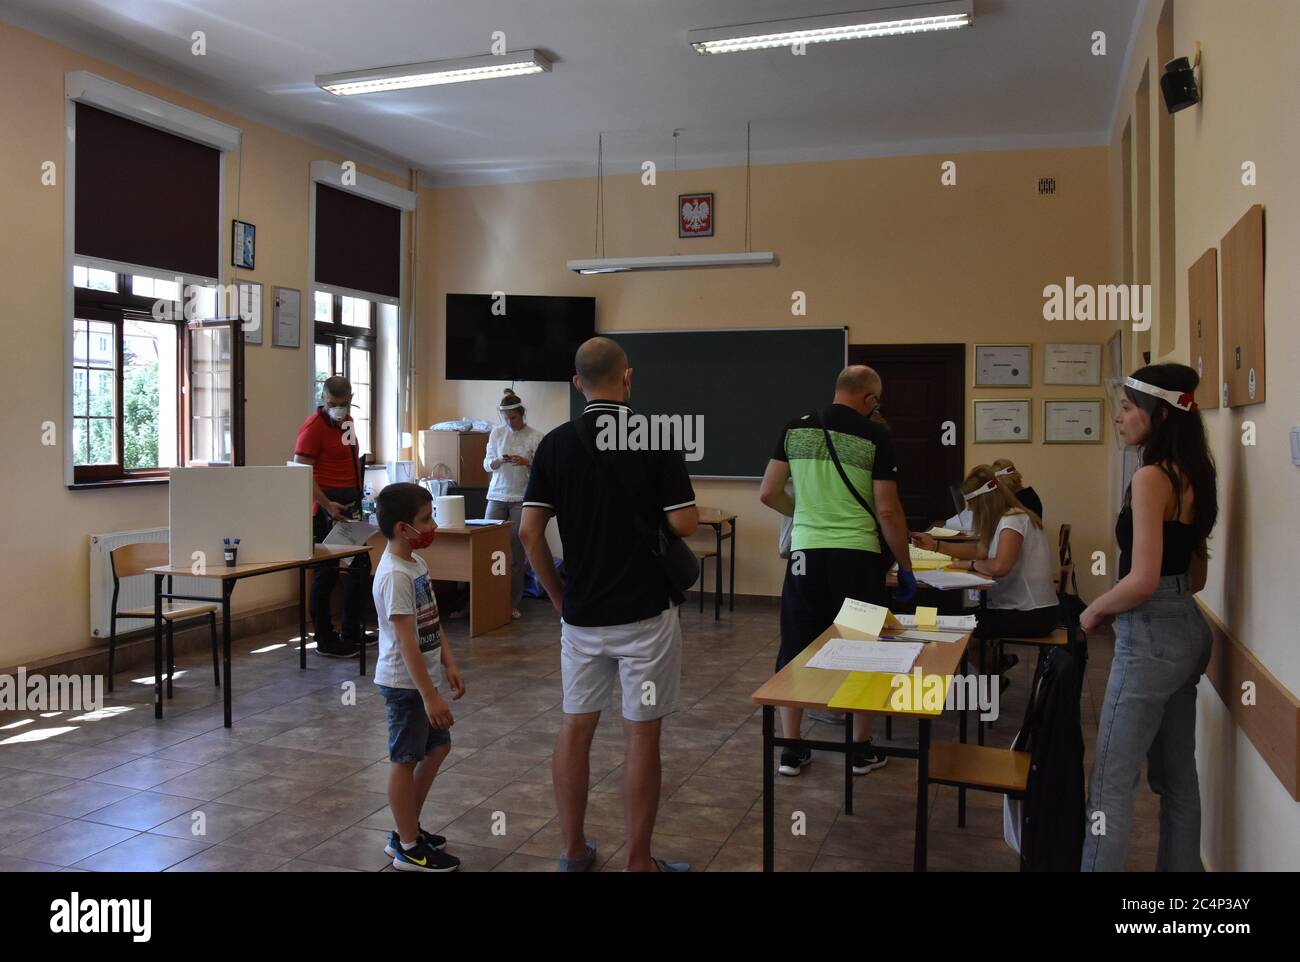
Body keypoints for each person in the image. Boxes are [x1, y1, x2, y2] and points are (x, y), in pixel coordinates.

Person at [518, 337, 698, 873]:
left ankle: (573, 852)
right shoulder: (656, 436)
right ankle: (638, 861)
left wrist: (557, 596)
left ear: (577, 383)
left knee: (576, 725)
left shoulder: (553, 444)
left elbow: (529, 533)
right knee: (641, 733)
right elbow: (685, 523)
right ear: (628, 378)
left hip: (583, 616)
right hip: (646, 615)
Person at [1079, 364, 1217, 872]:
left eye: (1127, 407)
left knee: (1112, 782)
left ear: (1158, 414)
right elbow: (1195, 578)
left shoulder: (1150, 476)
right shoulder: (1196, 472)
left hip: (1151, 637)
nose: (1118, 417)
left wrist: (1092, 610)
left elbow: (1142, 579)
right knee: (1179, 778)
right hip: (1188, 631)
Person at [758, 365, 916, 777]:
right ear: (869, 399)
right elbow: (887, 509)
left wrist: (806, 514)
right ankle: (860, 748)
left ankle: (791, 749)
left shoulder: (795, 428)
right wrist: (905, 563)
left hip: (805, 554)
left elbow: (768, 491)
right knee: (862, 647)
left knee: (796, 645)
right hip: (858, 556)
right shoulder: (875, 435)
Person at [372, 482, 465, 872]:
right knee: (405, 759)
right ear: (401, 528)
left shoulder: (417, 564)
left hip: (423, 680)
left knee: (437, 747)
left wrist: (448, 661)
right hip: (404, 685)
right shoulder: (394, 574)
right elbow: (406, 641)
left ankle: (406, 828)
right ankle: (408, 846)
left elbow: (432, 619)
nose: (432, 526)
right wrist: (429, 696)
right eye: (425, 520)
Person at [912, 465, 1058, 680]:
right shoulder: (1005, 518)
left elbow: (1000, 566)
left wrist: (971, 564)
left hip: (1032, 614)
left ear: (984, 502)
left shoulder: (1013, 520)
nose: (971, 511)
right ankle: (994, 672)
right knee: (964, 623)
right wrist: (935, 545)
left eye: (972, 506)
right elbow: (980, 550)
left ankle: (991, 674)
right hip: (1022, 609)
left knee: (962, 628)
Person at [294, 375, 370, 658]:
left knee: (359, 568)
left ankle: (352, 632)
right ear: (323, 400)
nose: (337, 408)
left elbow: (349, 459)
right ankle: (325, 639)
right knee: (326, 574)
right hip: (325, 511)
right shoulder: (313, 428)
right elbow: (301, 473)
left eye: (342, 404)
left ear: (350, 401)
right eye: (331, 404)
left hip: (349, 508)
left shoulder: (347, 421)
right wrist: (327, 505)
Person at [483, 389, 543, 620]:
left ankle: (511, 603)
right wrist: (498, 460)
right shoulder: (496, 434)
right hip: (496, 495)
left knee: (516, 554)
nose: (509, 422)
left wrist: (527, 462)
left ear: (522, 414)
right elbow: (487, 464)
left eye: (514, 418)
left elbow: (542, 470)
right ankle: (486, 600)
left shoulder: (535, 436)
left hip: (521, 497)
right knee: (488, 549)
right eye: (506, 418)